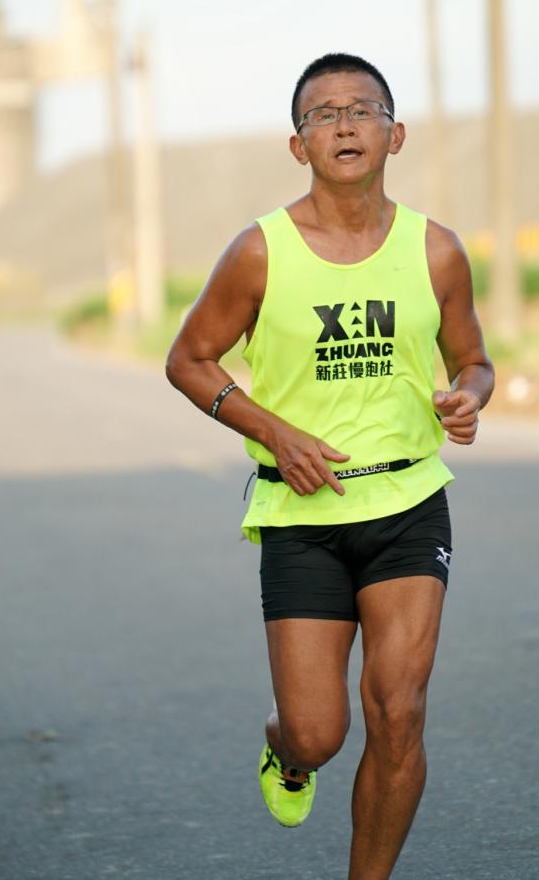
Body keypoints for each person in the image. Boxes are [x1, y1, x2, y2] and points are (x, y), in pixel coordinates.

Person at [165, 53, 493, 879]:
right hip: (302, 513)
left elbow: (475, 361)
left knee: (399, 710)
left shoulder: (437, 250)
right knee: (319, 732)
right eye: (323, 114)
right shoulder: (259, 252)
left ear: (395, 133)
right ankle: (285, 746)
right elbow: (189, 359)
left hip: (407, 502)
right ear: (298, 144)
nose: (344, 124)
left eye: (362, 109)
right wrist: (275, 432)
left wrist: (467, 396)